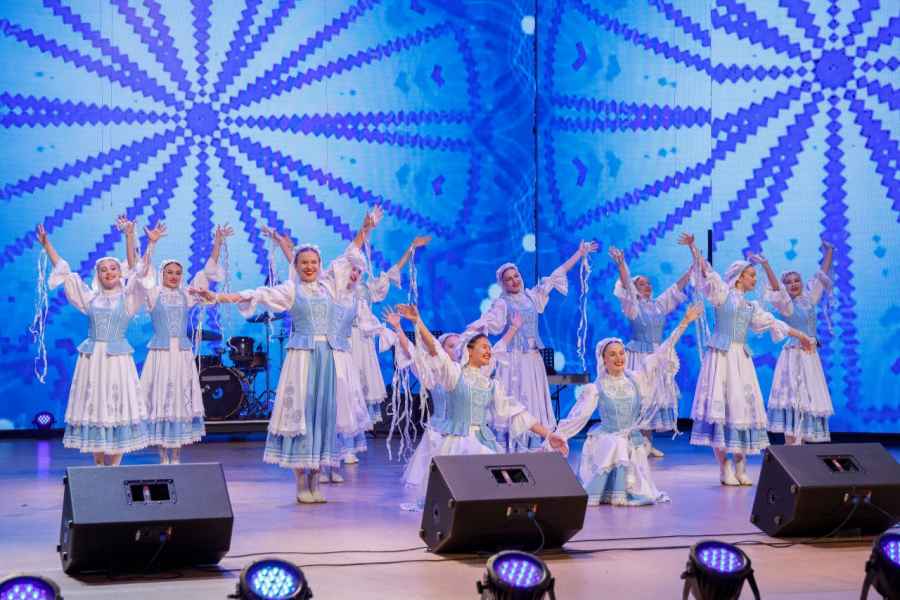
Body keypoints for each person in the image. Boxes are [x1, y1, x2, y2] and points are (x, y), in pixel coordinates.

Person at [198, 209, 381, 503]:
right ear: (295, 266)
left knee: (323, 415)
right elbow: (256, 294)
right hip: (303, 359)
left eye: (313, 262)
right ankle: (301, 484)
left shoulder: (329, 286)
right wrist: (218, 297)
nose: (309, 266)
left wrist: (365, 228)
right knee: (302, 415)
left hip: (328, 358)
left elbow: (349, 256)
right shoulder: (291, 290)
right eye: (303, 262)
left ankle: (316, 479)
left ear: (320, 265)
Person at [678, 233, 814, 486]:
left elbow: (774, 323)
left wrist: (802, 336)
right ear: (740, 277)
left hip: (741, 360)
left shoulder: (751, 307)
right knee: (722, 410)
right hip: (721, 358)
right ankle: (724, 467)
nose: (754, 279)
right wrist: (693, 247)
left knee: (741, 410)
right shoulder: (722, 294)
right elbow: (706, 271)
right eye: (751, 275)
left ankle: (740, 465)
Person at [554, 304, 702, 505]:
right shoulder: (596, 388)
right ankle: (611, 491)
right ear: (604, 360)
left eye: (621, 353)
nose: (619, 358)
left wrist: (684, 322)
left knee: (624, 445)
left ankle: (626, 490)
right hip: (608, 442)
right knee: (617, 443)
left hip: (632, 443)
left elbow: (663, 351)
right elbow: (577, 418)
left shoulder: (636, 379)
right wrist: (555, 437)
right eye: (612, 354)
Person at [465, 241, 598, 450]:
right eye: (508, 279)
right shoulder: (501, 303)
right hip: (513, 361)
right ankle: (512, 446)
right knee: (516, 401)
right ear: (503, 284)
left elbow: (556, 275)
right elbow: (487, 322)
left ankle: (535, 444)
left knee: (534, 402)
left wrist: (579, 253)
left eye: (516, 276)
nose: (514, 281)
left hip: (533, 360)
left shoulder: (531, 296)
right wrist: (465, 335)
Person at [36, 221, 149, 465]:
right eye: (103, 270)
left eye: (113, 269)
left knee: (118, 405)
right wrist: (47, 246)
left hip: (118, 359)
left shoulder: (128, 299)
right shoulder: (90, 298)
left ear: (119, 273)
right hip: (94, 359)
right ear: (98, 275)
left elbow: (136, 269)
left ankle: (115, 466)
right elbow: (65, 272)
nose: (109, 273)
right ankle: (98, 466)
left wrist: (130, 235)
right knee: (96, 405)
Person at [398, 304, 568, 462]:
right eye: (484, 347)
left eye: (489, 347)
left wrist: (548, 435)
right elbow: (436, 350)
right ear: (469, 351)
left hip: (484, 440)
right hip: (458, 443)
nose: (489, 350)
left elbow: (517, 412)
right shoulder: (454, 374)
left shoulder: (491, 385)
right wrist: (418, 321)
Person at [137, 222, 232, 464]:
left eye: (178, 273)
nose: (174, 276)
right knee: (160, 398)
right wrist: (152, 243)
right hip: (160, 353)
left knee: (179, 398)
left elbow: (207, 272)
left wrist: (217, 242)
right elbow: (143, 271)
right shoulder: (153, 293)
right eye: (169, 272)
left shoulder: (187, 294)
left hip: (181, 353)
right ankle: (162, 455)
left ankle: (177, 454)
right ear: (162, 274)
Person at [608, 246, 690, 457]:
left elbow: (676, 288)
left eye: (649, 283)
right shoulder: (632, 306)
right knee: (639, 398)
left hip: (656, 357)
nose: (647, 286)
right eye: (642, 283)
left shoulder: (658, 305)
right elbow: (626, 286)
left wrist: (692, 269)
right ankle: (633, 443)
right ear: (635, 289)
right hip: (638, 358)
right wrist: (621, 265)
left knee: (653, 398)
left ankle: (647, 442)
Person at [759, 242, 835, 444]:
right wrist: (766, 265)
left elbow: (822, 274)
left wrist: (829, 251)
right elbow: (776, 288)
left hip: (810, 357)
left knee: (809, 397)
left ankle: (802, 443)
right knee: (793, 397)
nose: (793, 284)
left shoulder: (810, 299)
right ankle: (791, 444)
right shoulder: (787, 306)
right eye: (789, 282)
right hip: (794, 356)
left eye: (796, 281)